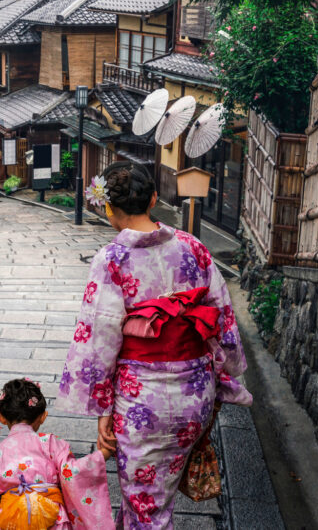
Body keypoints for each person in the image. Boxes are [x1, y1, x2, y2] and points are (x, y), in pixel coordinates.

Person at [59, 161, 252, 529]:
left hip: (142, 403)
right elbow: (223, 314)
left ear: (108, 208)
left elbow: (99, 338)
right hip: (195, 396)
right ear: (153, 198)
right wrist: (226, 370)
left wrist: (102, 407)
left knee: (147, 508)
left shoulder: (112, 260)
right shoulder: (194, 247)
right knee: (150, 500)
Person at [0, 378, 115, 529]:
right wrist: (103, 453)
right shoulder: (51, 443)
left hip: (10, 518)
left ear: (0, 417)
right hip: (50, 517)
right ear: (43, 416)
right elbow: (71, 473)